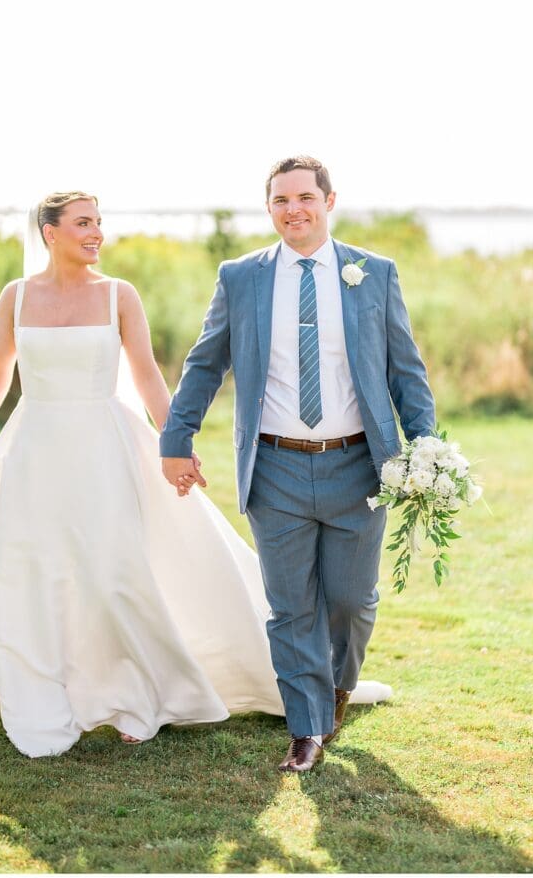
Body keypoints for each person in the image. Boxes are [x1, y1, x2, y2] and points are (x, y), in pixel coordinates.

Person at [0, 191, 289, 757]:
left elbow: (149, 376)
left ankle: (137, 695)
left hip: (104, 451)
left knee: (115, 573)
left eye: (98, 222)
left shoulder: (118, 296)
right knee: (37, 574)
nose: (95, 232)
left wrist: (177, 442)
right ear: (50, 233)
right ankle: (43, 695)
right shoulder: (17, 297)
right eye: (82, 223)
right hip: (35, 455)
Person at [161, 155, 434, 772]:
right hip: (275, 468)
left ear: (329, 201)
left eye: (305, 198)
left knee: (351, 600)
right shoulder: (242, 277)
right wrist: (176, 438)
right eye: (281, 200)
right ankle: (306, 726)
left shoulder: (374, 274)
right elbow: (206, 364)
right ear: (269, 208)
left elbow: (405, 373)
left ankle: (337, 686)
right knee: (290, 606)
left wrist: (425, 451)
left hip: (360, 468)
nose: (294, 210)